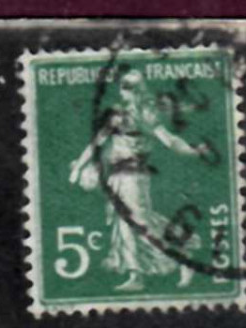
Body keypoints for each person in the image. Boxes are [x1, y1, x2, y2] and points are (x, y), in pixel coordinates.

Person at [68, 68, 213, 292]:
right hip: (116, 177)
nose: (124, 92)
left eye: (130, 88)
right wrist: (78, 166)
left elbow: (170, 140)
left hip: (135, 176)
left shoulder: (147, 115)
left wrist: (193, 152)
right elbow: (97, 142)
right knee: (125, 224)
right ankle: (136, 275)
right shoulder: (116, 114)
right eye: (123, 87)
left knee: (139, 223)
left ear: (139, 91)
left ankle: (183, 258)